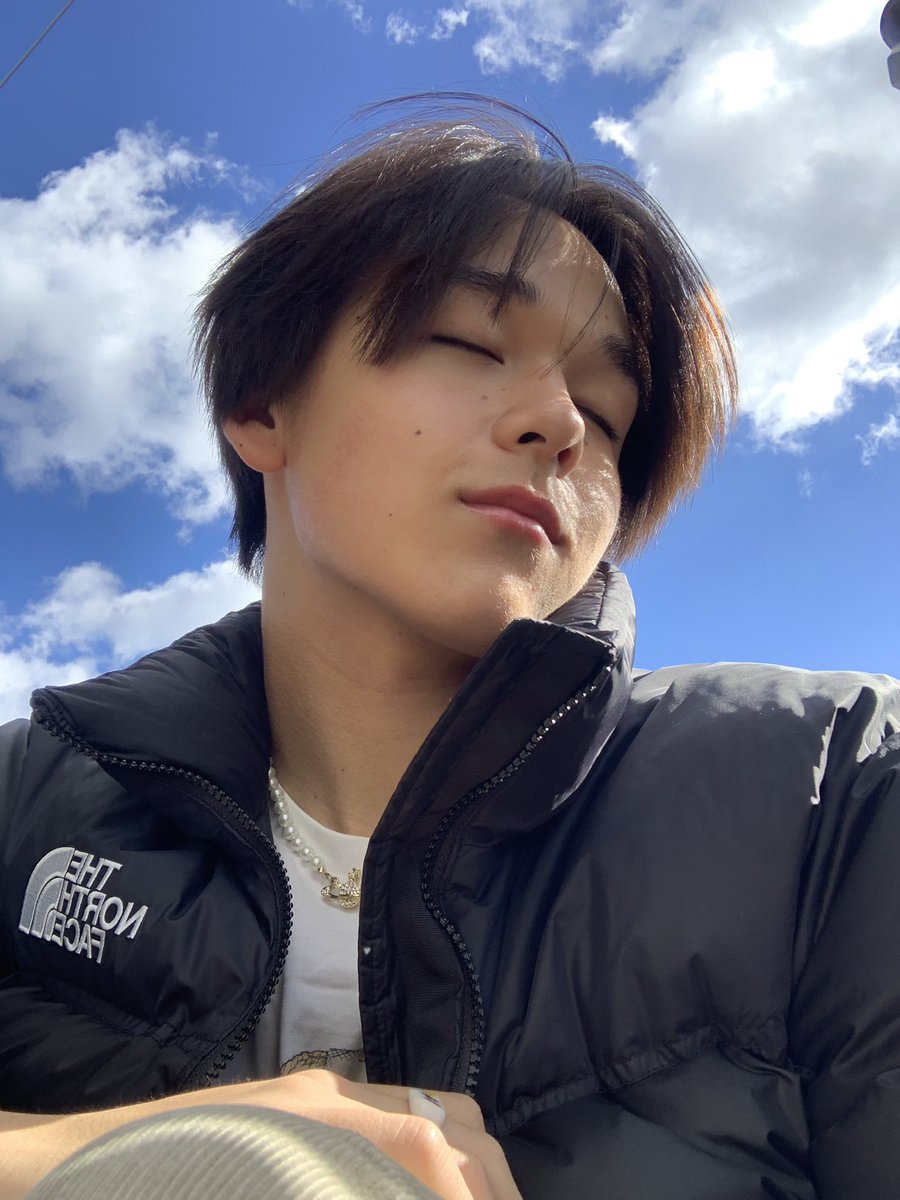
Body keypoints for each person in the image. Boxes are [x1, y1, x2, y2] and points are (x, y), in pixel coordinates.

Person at [1, 96, 899, 1200]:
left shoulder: (833, 790)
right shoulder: (26, 796)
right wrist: (136, 1162)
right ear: (263, 406)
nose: (557, 423)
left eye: (606, 414)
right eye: (470, 342)